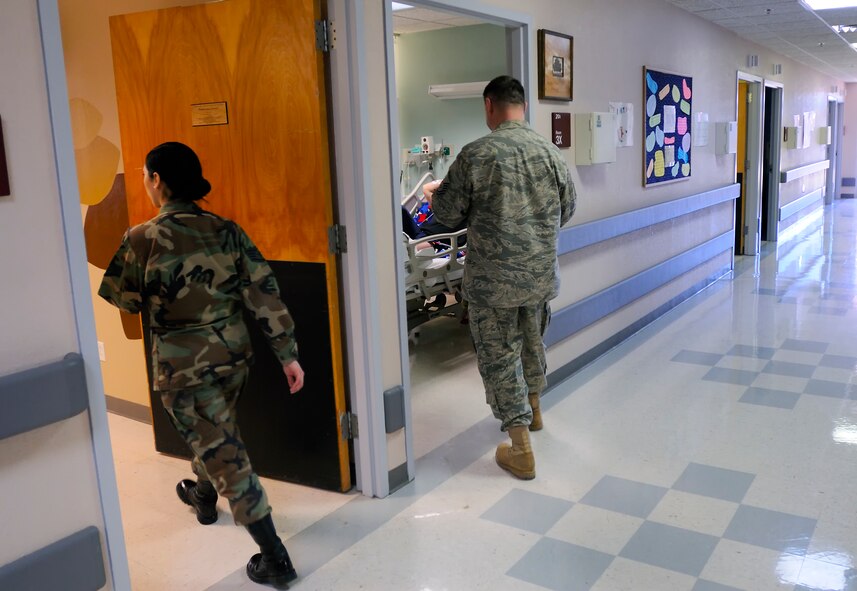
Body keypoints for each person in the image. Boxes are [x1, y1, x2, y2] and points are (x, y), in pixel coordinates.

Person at [98, 142, 304, 587]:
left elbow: (125, 301)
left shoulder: (141, 238)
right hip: (233, 359)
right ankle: (204, 496)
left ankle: (275, 557)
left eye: (144, 175)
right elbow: (264, 293)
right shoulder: (227, 231)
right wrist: (286, 354)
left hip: (183, 370)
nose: (145, 182)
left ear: (156, 180)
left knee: (227, 454)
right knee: (214, 433)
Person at [424, 75, 576, 480]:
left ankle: (521, 448)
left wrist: (436, 194)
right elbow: (569, 208)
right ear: (522, 106)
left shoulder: (477, 155)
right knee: (532, 342)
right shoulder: (550, 152)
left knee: (499, 356)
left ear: (489, 104)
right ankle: (535, 411)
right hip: (540, 276)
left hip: (494, 283)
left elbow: (446, 214)